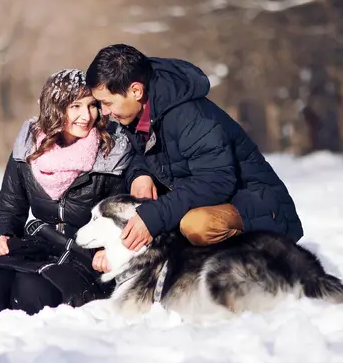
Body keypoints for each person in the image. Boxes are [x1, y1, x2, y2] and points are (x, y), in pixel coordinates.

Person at [0, 69, 132, 316]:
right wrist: (2, 235)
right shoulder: (28, 147)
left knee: (31, 296)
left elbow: (124, 215)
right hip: (38, 242)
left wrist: (110, 250)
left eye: (92, 106)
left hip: (86, 253)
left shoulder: (112, 151)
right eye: (75, 106)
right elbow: (11, 207)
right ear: (56, 107)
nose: (86, 116)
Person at [85, 44, 304, 253]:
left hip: (258, 206)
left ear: (136, 91)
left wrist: (155, 216)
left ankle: (251, 268)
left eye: (108, 103)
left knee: (197, 225)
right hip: (213, 197)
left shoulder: (192, 117)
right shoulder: (138, 112)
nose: (104, 112)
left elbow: (216, 181)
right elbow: (144, 154)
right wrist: (140, 174)